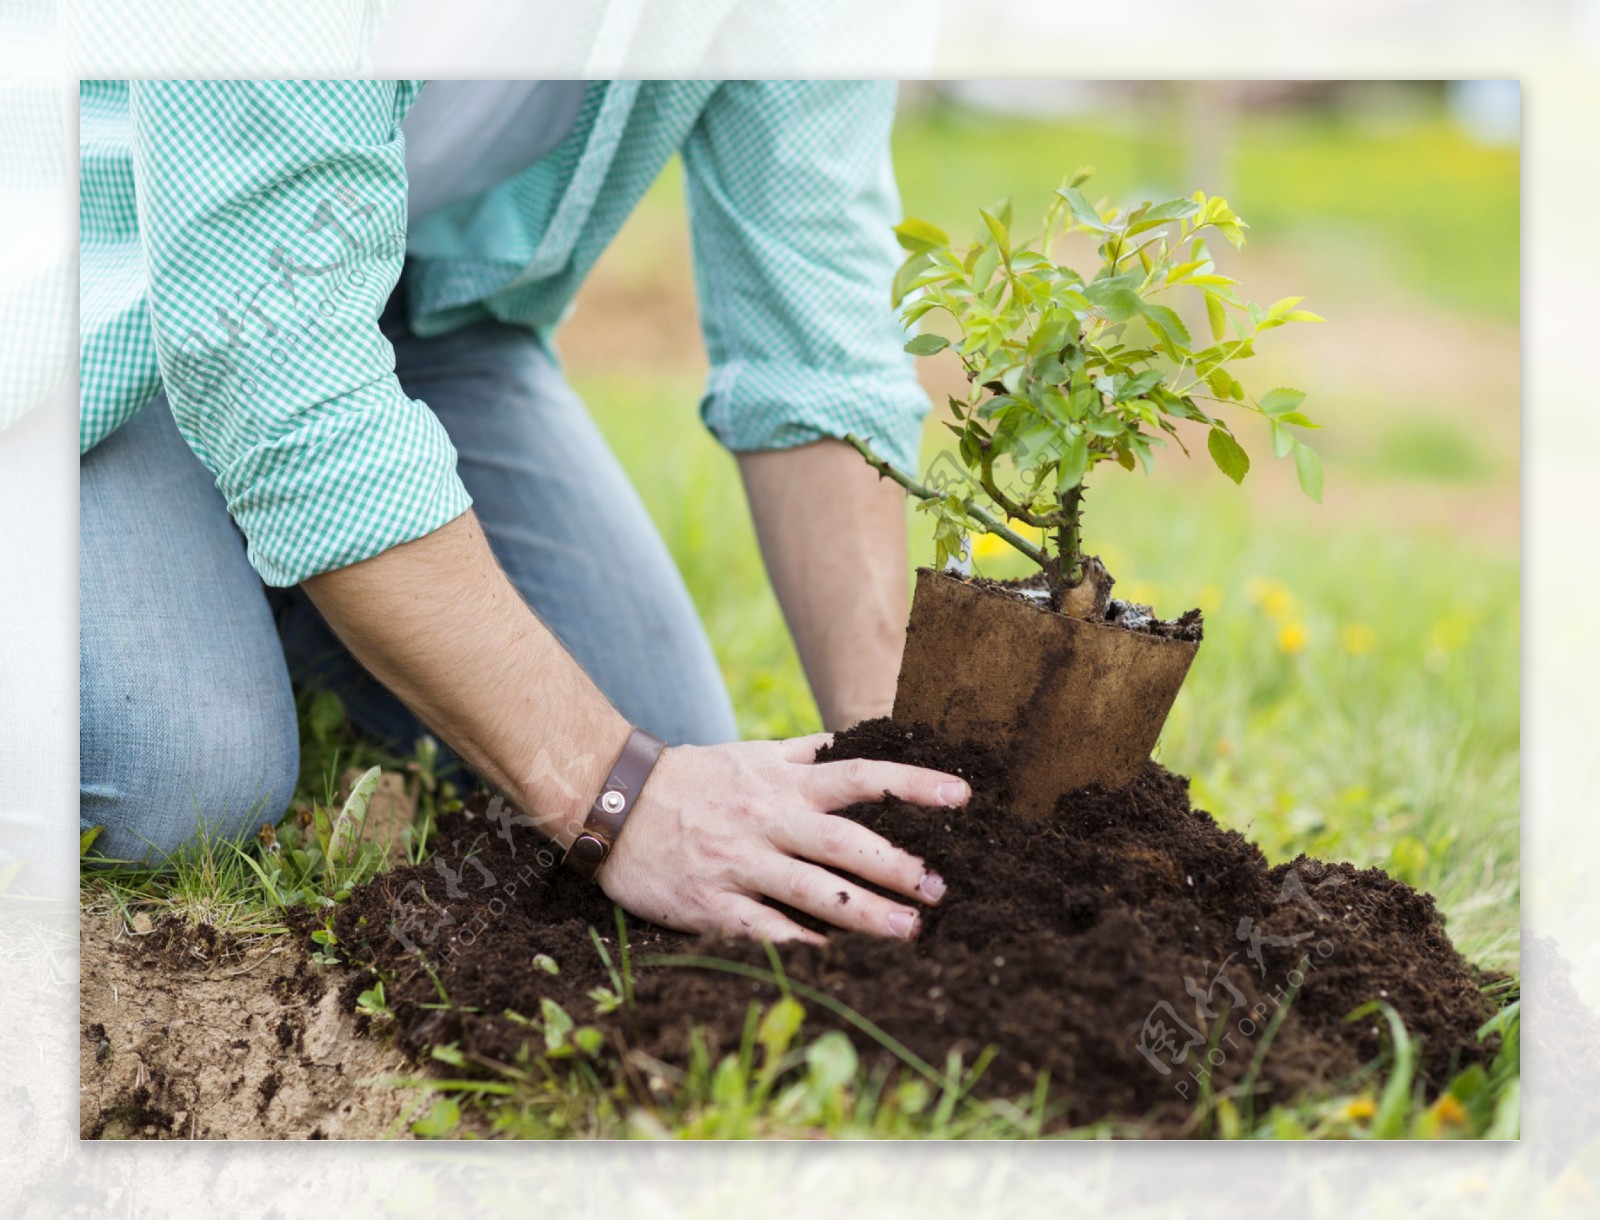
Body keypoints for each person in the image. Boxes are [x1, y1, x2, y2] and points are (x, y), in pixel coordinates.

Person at [78, 79, 969, 944]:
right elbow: (274, 353)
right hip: (100, 274)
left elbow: (818, 324)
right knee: (177, 776)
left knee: (662, 732)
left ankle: (275, 557)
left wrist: (900, 774)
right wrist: (616, 799)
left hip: (418, 304)